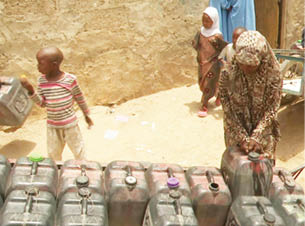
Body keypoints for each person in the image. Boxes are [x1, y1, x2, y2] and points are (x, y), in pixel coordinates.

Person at [219, 31, 282, 163]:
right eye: (242, 63)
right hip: (236, 131)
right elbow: (228, 110)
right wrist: (242, 137)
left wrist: (256, 136)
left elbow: (272, 109)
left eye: (251, 65)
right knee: (237, 171)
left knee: (263, 172)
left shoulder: (274, 76)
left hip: (264, 133)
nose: (246, 69)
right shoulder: (227, 74)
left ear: (262, 59)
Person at [20, 47, 93, 161]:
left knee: (79, 151)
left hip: (70, 125)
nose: (37, 66)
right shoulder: (42, 81)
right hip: (53, 126)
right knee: (53, 155)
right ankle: (55, 173)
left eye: (41, 63)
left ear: (54, 65)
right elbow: (42, 103)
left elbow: (79, 98)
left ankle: (83, 171)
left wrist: (86, 115)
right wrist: (30, 90)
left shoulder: (69, 79)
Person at [192, 6, 227, 117]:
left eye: (208, 21)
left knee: (208, 84)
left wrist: (220, 59)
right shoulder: (201, 32)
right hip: (202, 62)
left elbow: (222, 48)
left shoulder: (217, 35)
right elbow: (195, 44)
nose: (205, 23)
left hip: (212, 64)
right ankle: (218, 96)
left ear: (214, 21)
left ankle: (204, 104)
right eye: (203, 20)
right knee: (202, 83)